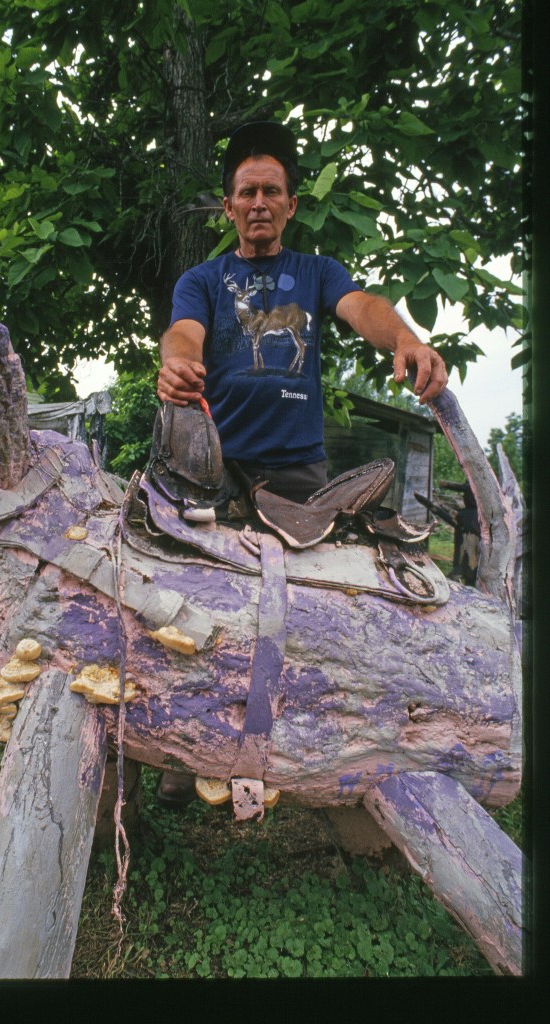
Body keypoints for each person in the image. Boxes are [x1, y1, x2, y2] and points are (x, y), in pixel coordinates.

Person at [155, 121, 448, 805]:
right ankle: (172, 746)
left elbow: (362, 308)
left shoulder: (317, 274)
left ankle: (316, 753)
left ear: (289, 205)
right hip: (213, 467)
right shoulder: (203, 279)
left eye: (271, 191)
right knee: (184, 601)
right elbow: (183, 330)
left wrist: (403, 336)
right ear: (227, 208)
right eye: (246, 192)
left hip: (297, 473)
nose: (258, 202)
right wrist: (175, 358)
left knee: (311, 613)